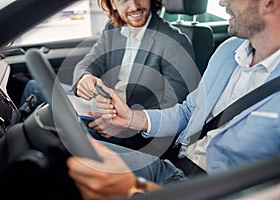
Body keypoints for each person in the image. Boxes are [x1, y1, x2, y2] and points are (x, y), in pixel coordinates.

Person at [66, 0, 280, 199]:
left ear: (270, 2)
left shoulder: (174, 40)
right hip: (175, 165)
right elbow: (188, 111)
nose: (223, 1)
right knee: (70, 153)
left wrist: (135, 190)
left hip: (213, 188)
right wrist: (131, 118)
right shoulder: (228, 51)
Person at [20, 0, 198, 151]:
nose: (134, 6)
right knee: (33, 88)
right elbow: (89, 62)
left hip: (132, 131)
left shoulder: (175, 42)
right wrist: (85, 78)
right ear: (112, 3)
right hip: (101, 107)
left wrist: (127, 124)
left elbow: (176, 110)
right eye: (123, 0)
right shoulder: (113, 28)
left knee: (49, 127)